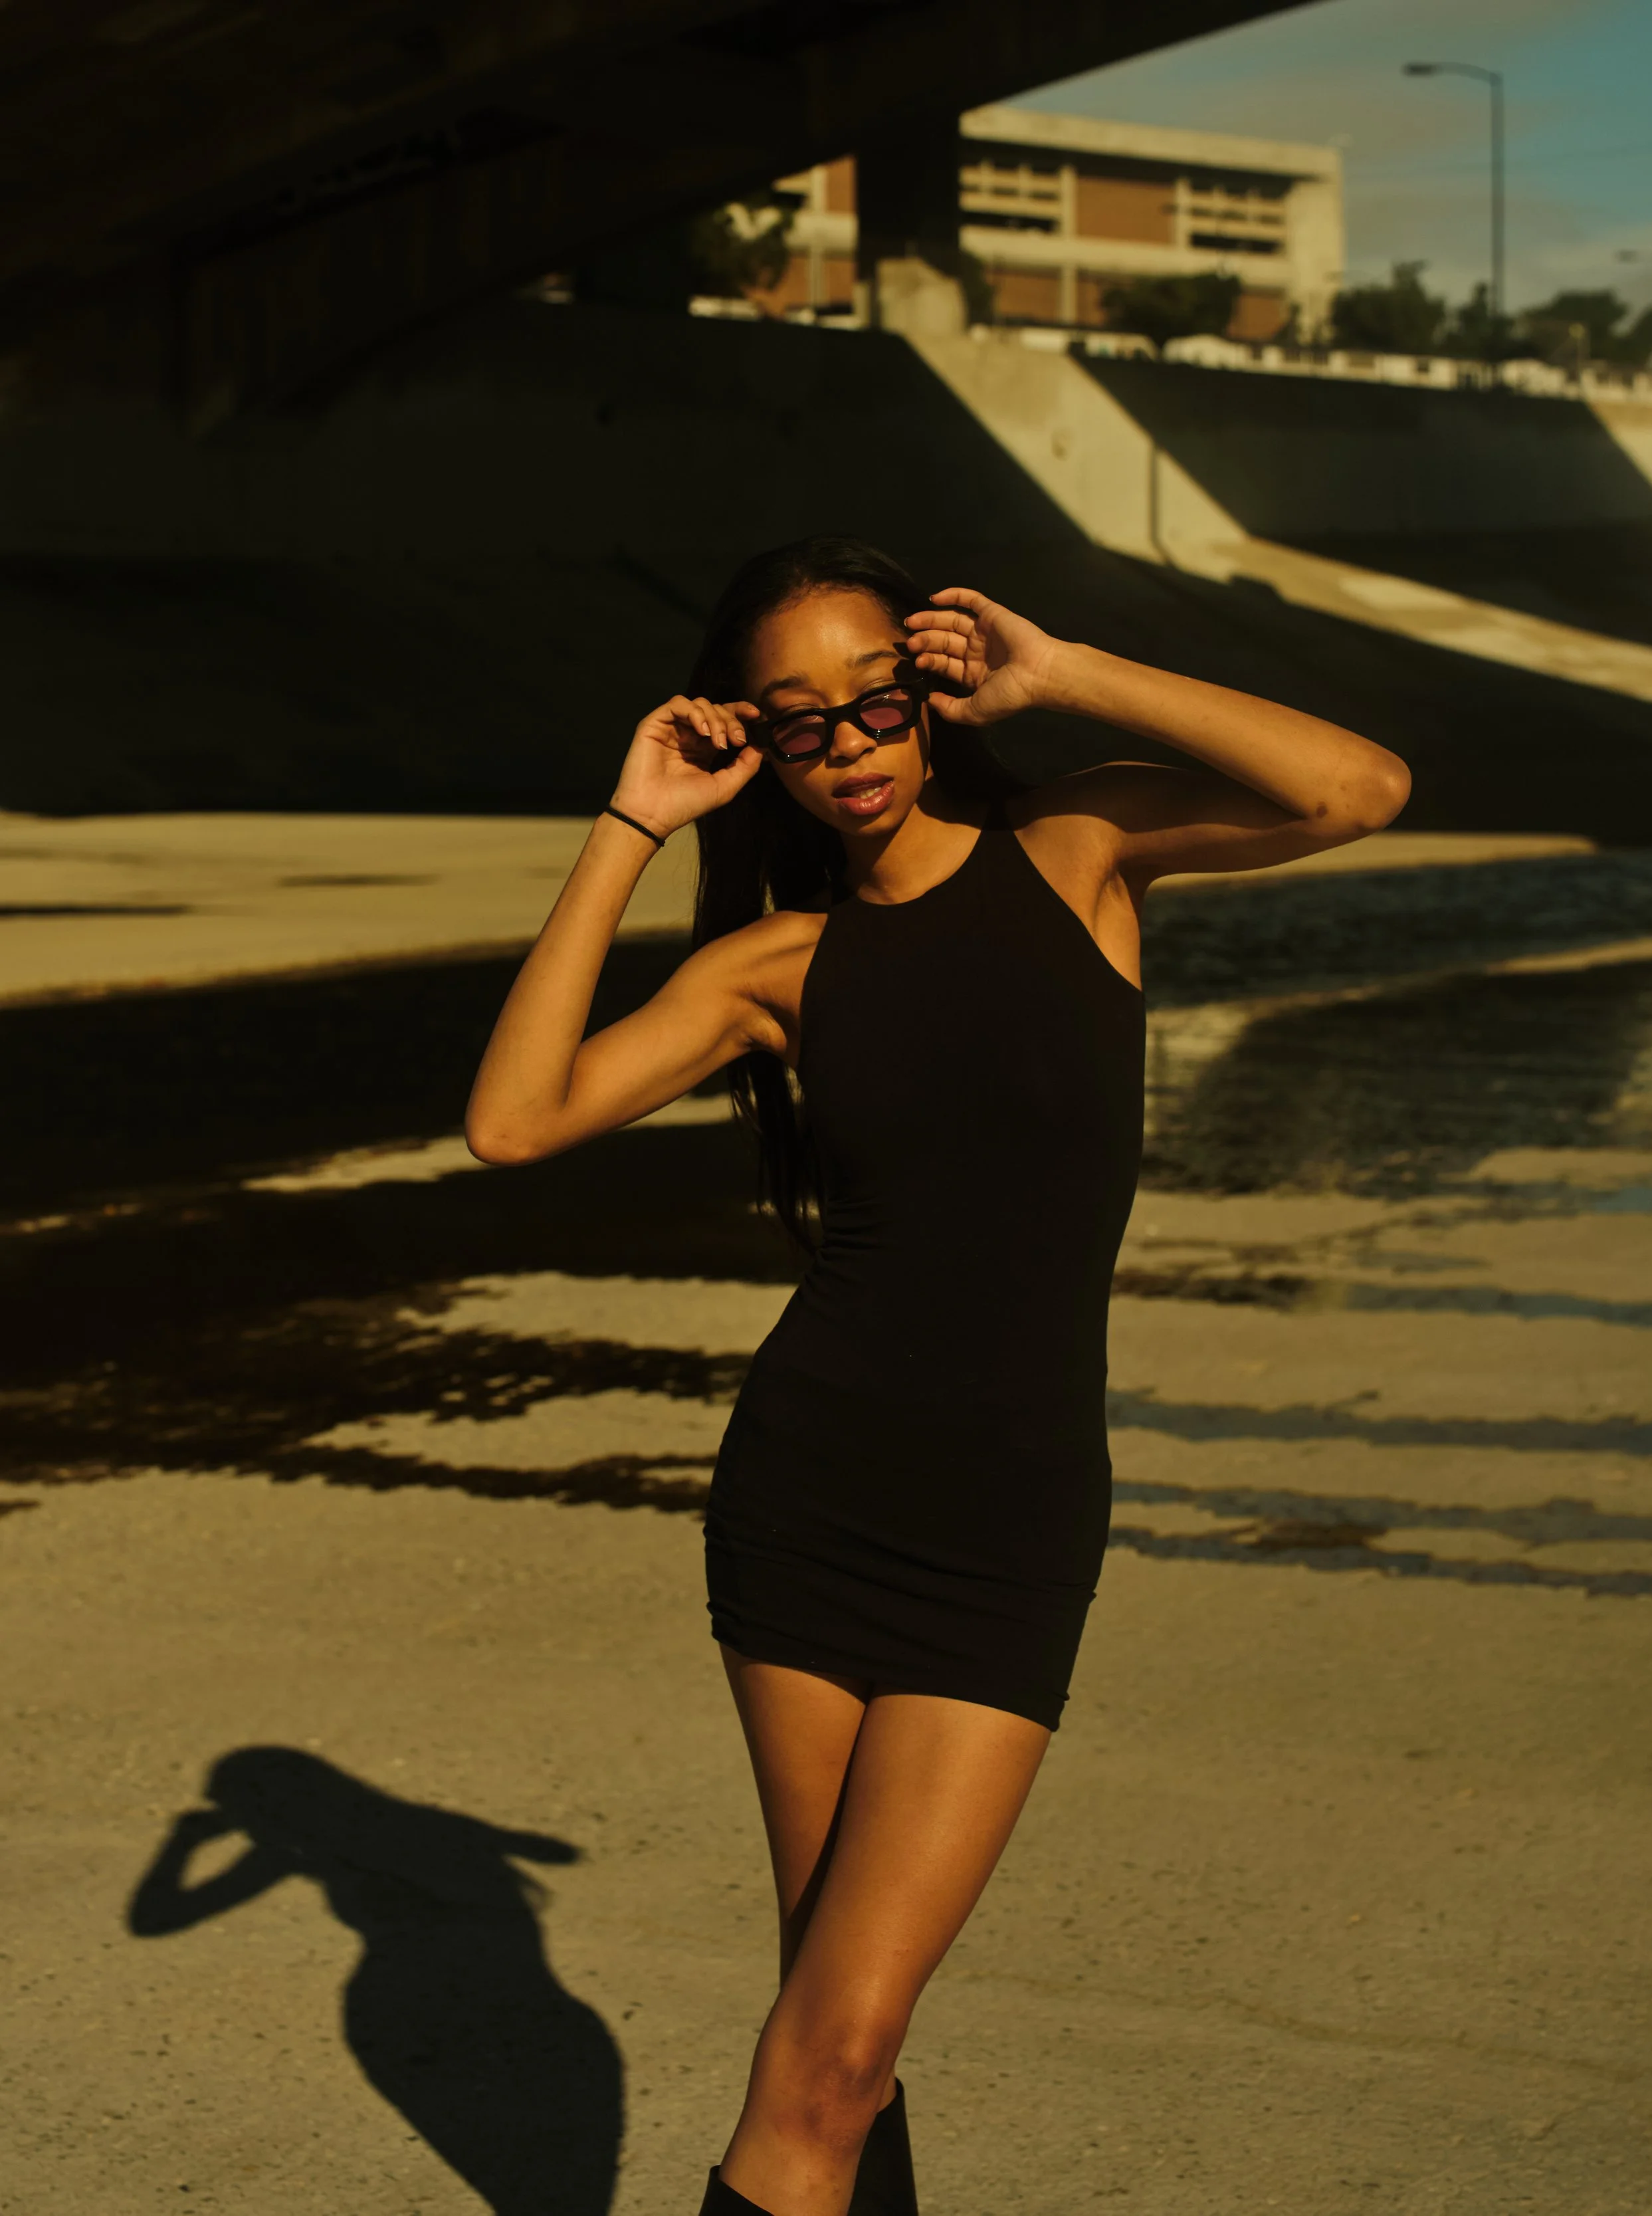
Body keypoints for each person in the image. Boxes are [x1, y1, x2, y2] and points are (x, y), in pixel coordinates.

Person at [466, 536, 1409, 2215]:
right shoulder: (773, 969)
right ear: (757, 741)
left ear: (930, 685)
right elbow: (514, 1115)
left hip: (1006, 1526)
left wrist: (1061, 675)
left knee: (830, 2046)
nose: (850, 739)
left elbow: (1356, 784)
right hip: (809, 1504)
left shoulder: (1081, 851)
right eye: (798, 717)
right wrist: (629, 822)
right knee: (833, 2045)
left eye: (875, 693)